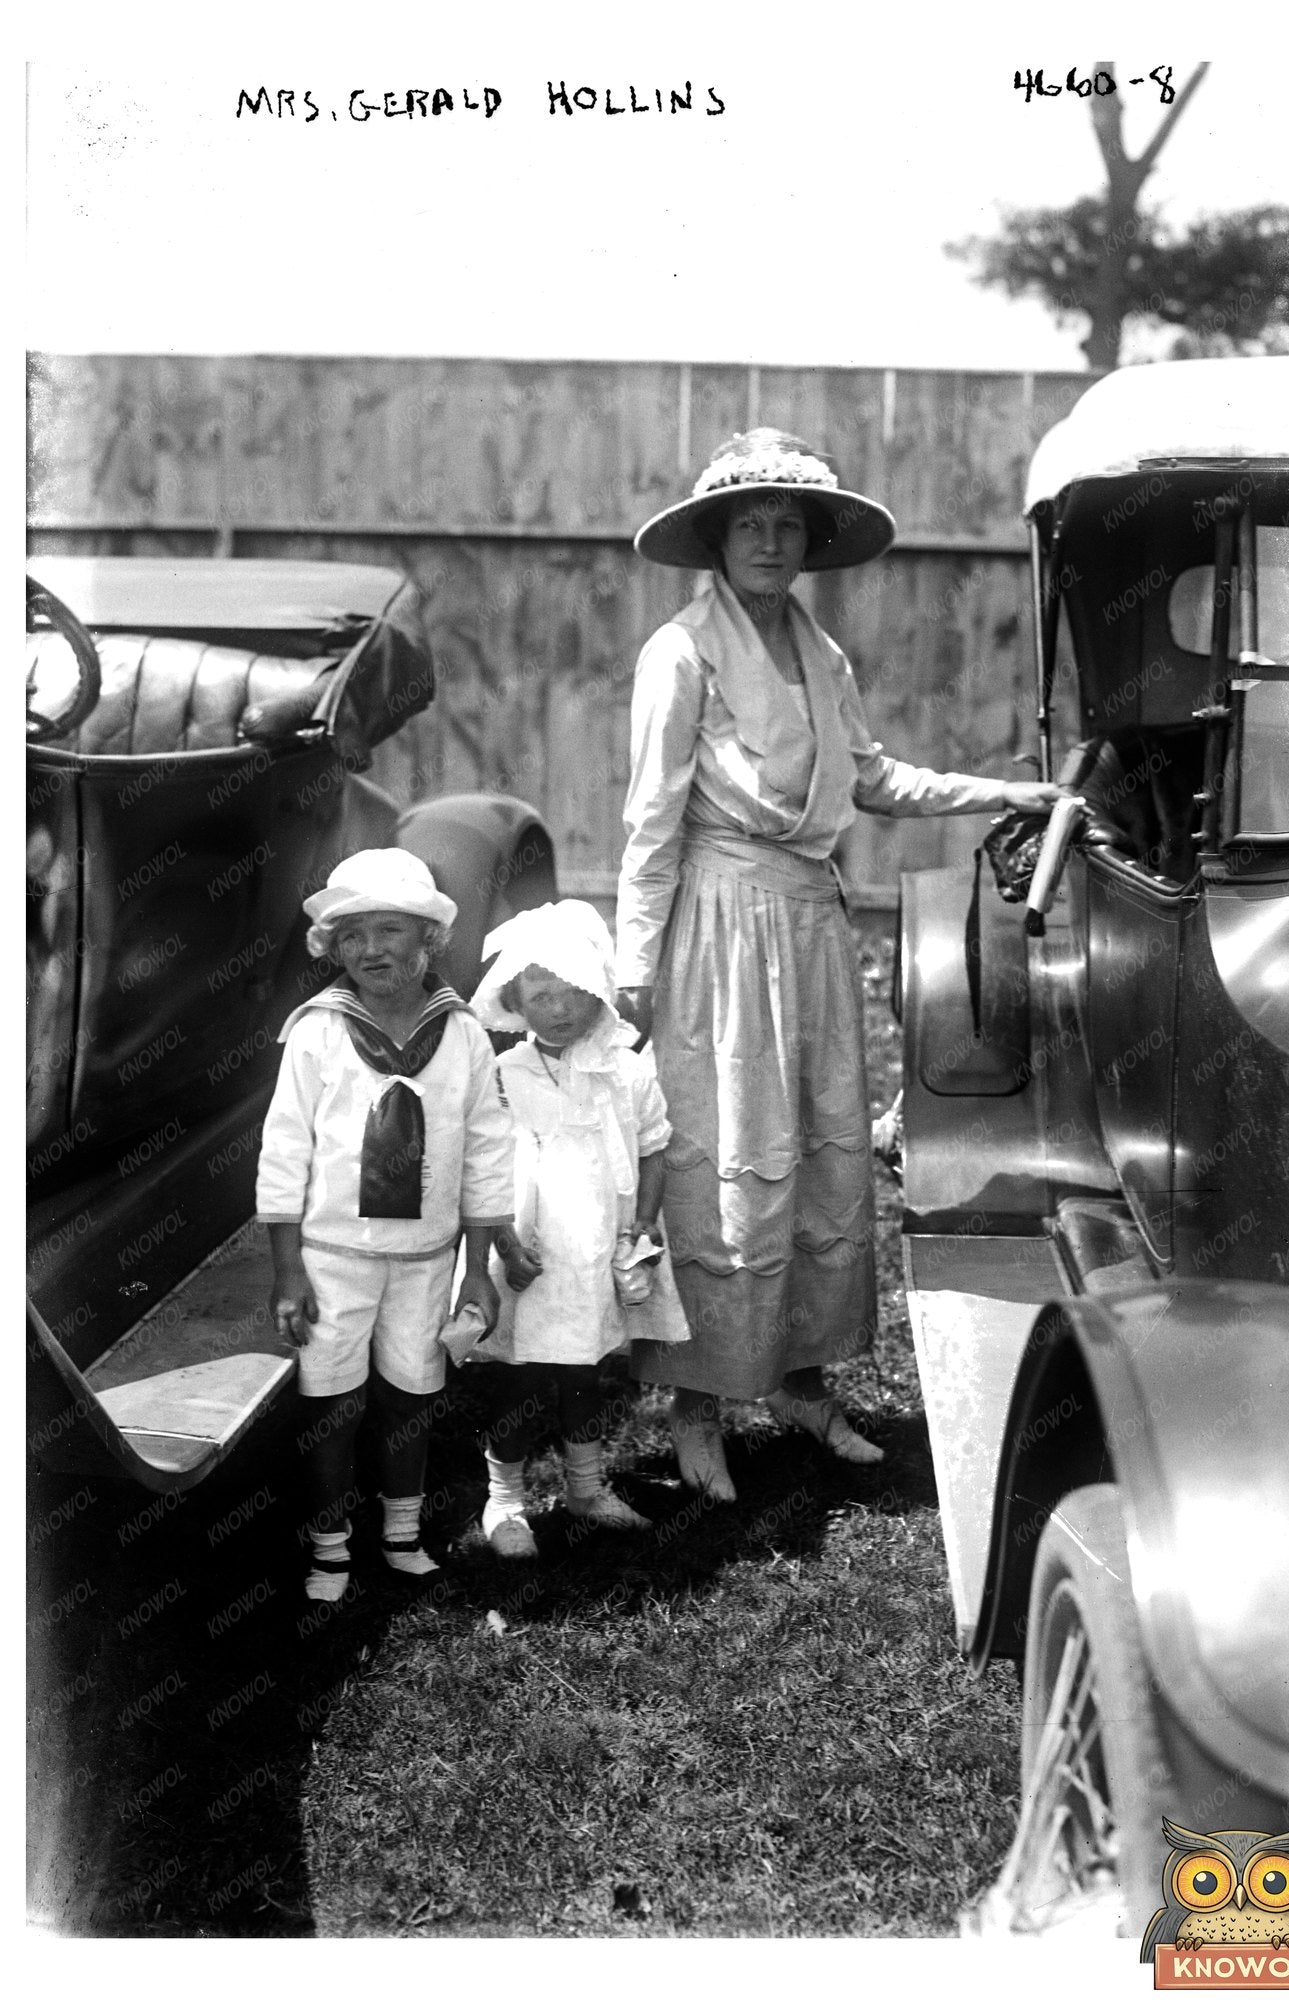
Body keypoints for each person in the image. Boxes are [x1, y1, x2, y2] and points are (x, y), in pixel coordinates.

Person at [616, 429, 1063, 1502]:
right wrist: (634, 969)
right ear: (715, 540)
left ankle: (804, 1384)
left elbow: (872, 778)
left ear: (809, 545)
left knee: (819, 1147)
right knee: (723, 1147)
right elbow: (649, 816)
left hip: (809, 919)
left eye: (787, 525)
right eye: (749, 523)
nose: (770, 541)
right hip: (719, 925)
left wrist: (1006, 794)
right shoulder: (680, 652)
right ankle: (699, 1402)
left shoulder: (821, 653)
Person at [257, 848, 516, 1603]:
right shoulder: (317, 1031)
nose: (372, 949)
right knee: (331, 1399)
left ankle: (401, 1532)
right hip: (332, 1255)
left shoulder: (462, 1034)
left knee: (411, 1394)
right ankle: (330, 1546)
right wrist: (286, 1269)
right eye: (354, 934)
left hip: (427, 1257)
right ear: (333, 948)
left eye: (392, 930)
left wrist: (476, 1269)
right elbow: (284, 1149)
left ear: (428, 940)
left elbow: (487, 1152)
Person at [467, 900, 691, 1558]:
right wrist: (506, 1243)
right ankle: (504, 1499)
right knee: (516, 1372)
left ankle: (586, 1487)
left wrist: (643, 1225)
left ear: (599, 994)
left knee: (585, 1371)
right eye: (540, 996)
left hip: (598, 1244)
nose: (559, 1010)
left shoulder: (629, 1069)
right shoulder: (504, 1077)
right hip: (528, 1249)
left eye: (573, 994)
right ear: (514, 1001)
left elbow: (655, 1146)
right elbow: (484, 1167)